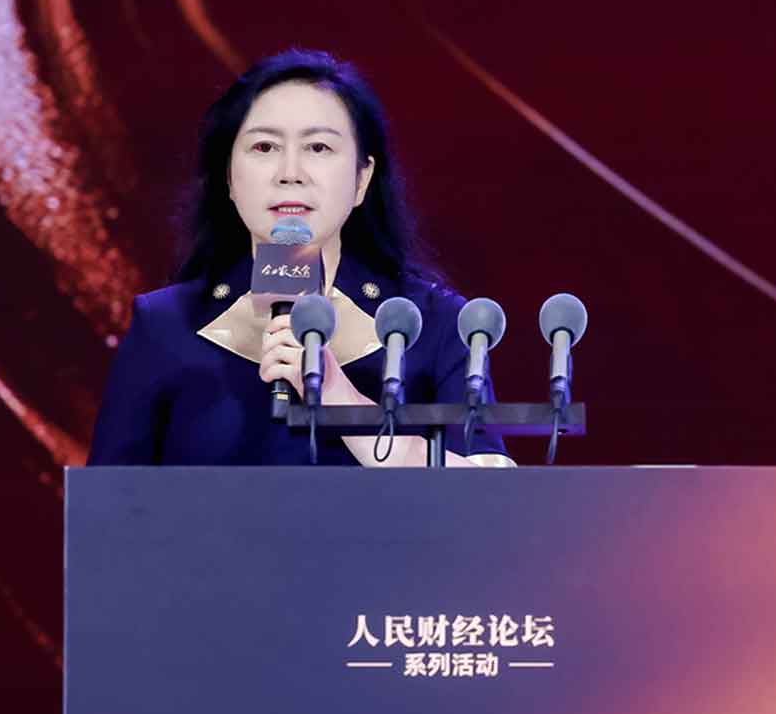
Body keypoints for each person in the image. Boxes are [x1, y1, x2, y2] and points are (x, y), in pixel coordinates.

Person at [87, 49, 516, 467]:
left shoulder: (432, 324)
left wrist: (341, 400)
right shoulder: (165, 326)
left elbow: (492, 498)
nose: (290, 173)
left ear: (362, 179)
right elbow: (105, 507)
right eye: (264, 147)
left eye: (318, 148)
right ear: (229, 178)